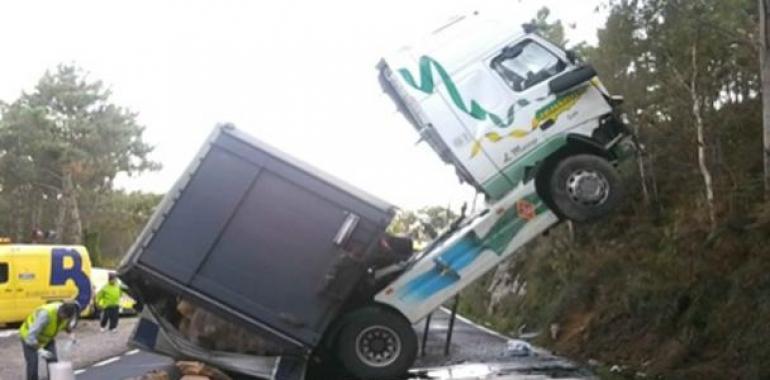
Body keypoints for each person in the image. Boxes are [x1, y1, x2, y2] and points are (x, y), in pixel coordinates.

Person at [19, 301, 79, 380]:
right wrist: (39, 349)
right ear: (60, 311)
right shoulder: (46, 314)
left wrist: (72, 336)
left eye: (66, 318)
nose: (64, 319)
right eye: (63, 317)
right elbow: (31, 336)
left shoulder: (68, 314)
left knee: (53, 361)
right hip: (29, 337)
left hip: (47, 339)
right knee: (33, 363)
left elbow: (66, 326)